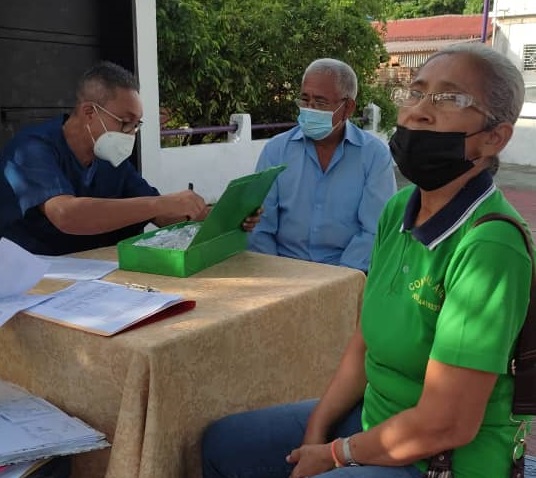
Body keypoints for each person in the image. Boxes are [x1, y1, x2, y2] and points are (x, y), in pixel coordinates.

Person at [202, 43, 532, 478]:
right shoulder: (399, 210)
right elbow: (364, 342)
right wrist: (316, 430)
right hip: (376, 418)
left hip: (443, 459)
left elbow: (445, 424)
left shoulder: (489, 245)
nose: (418, 112)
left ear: (495, 137)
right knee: (223, 443)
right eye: (415, 93)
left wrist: (337, 455)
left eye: (449, 99)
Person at [0, 61, 258, 255]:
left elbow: (164, 217)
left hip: (95, 276)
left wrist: (225, 214)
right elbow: (67, 215)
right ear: (89, 112)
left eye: (136, 125)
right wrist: (160, 204)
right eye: (125, 122)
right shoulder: (32, 149)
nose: (130, 134)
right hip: (35, 280)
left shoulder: (111, 161)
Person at [247, 58, 396, 272]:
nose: (310, 109)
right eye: (305, 100)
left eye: (320, 102)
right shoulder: (277, 151)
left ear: (347, 108)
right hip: (281, 270)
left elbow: (374, 230)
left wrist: (337, 280)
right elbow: (260, 226)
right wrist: (275, 274)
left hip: (346, 274)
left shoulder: (373, 156)